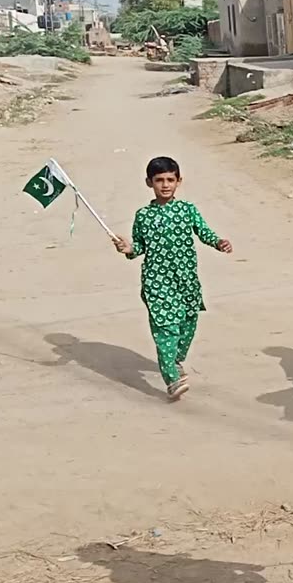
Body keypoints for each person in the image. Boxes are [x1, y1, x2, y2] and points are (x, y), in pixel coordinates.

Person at [113, 156, 232, 401]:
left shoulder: (187, 210)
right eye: (159, 180)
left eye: (170, 179)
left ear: (179, 181)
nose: (165, 185)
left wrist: (219, 243)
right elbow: (139, 247)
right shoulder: (143, 215)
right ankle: (171, 379)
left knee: (187, 324)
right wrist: (127, 249)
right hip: (157, 282)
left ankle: (175, 360)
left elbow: (204, 232)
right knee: (166, 329)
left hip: (187, 281)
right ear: (149, 183)